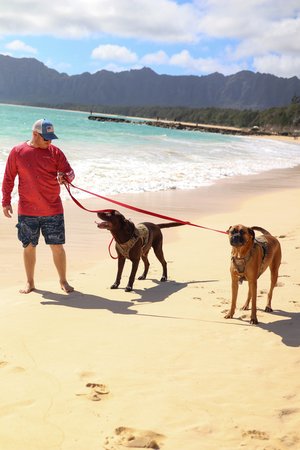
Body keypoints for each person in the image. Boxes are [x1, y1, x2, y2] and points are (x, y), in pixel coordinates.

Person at [2, 118, 75, 294]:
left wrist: (65, 177)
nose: (49, 141)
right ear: (35, 134)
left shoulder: (55, 152)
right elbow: (8, 177)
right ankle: (30, 282)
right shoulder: (18, 152)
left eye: (51, 138)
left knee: (57, 246)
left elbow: (70, 173)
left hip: (53, 209)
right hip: (27, 211)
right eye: (45, 138)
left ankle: (63, 281)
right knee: (29, 246)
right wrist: (5, 201)